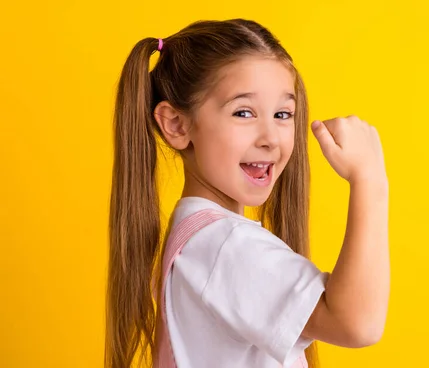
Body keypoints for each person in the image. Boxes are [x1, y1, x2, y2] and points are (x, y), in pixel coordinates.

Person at [105, 19, 390, 368]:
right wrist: (370, 183)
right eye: (243, 112)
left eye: (283, 114)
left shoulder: (200, 243)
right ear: (177, 125)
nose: (270, 137)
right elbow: (357, 324)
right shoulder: (226, 245)